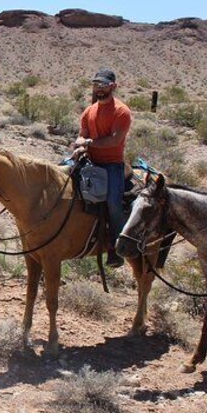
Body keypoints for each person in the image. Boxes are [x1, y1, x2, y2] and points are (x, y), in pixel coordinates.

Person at [70, 69, 132, 268]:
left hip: (112, 164)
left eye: (103, 85)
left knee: (113, 202)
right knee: (60, 177)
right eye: (96, 85)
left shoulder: (121, 111)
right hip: (90, 160)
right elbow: (81, 135)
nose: (99, 89)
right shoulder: (89, 111)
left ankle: (117, 247)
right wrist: (80, 145)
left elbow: (114, 141)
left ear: (113, 86)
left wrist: (87, 142)